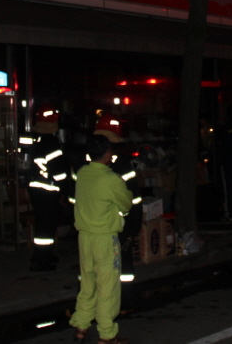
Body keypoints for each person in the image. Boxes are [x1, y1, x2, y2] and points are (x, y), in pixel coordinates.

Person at [69, 134, 133, 344]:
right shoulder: (110, 179)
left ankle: (81, 327)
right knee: (108, 287)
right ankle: (107, 335)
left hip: (84, 237)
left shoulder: (82, 173)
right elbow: (126, 203)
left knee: (88, 284)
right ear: (107, 154)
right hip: (105, 239)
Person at [94, 112, 143, 313]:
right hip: (118, 224)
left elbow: (75, 194)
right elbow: (133, 198)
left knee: (93, 265)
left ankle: (94, 303)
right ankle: (124, 301)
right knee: (123, 263)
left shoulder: (85, 161)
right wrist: (134, 225)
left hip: (92, 223)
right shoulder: (122, 164)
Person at [25, 104, 69, 272]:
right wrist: (64, 189)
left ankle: (45, 255)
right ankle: (41, 260)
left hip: (35, 188)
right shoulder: (51, 142)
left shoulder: (34, 139)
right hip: (48, 190)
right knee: (46, 226)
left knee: (42, 224)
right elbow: (58, 171)